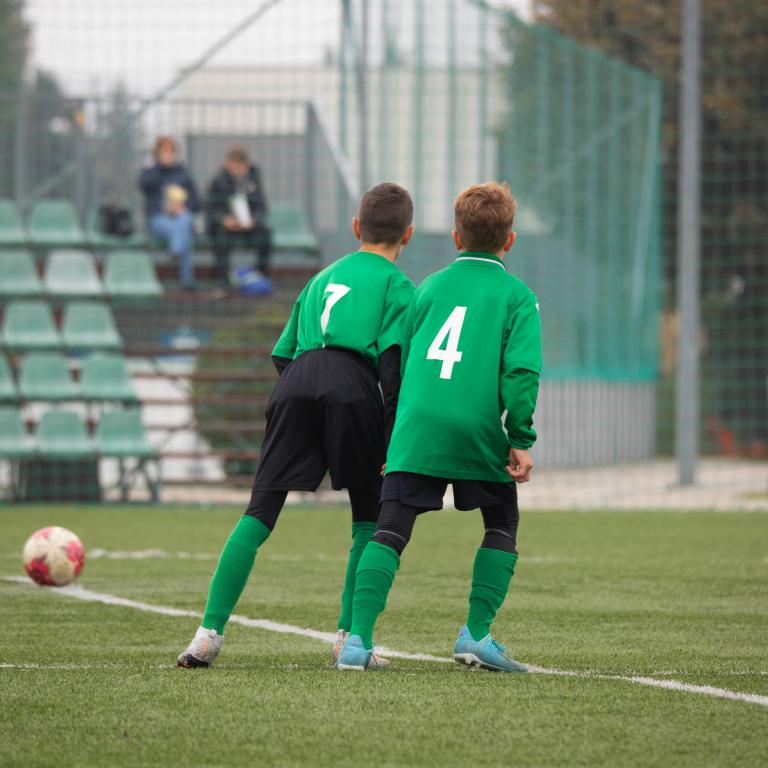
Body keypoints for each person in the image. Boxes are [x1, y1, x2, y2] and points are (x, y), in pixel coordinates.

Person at [176, 182, 416, 669]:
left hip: (297, 378)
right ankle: (349, 643)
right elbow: (392, 369)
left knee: (260, 512)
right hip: (354, 384)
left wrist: (302, 399)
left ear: (356, 227)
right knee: (368, 517)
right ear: (407, 235)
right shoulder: (399, 286)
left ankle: (206, 636)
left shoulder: (321, 277)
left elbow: (283, 354)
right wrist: (391, 437)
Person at [337, 182, 542, 673]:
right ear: (510, 240)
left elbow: (398, 364)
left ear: (455, 236)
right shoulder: (517, 296)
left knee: (389, 529)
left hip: (417, 428)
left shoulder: (425, 288)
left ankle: (356, 642)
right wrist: (520, 439)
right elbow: (520, 374)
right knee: (501, 521)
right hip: (475, 428)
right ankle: (476, 634)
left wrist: (395, 437)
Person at [138, 136, 200, 290]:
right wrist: (161, 168)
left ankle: (176, 249)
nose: (167, 154)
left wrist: (183, 207)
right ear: (157, 153)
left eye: (170, 151)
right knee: (183, 232)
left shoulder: (183, 174)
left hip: (180, 218)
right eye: (163, 151)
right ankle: (188, 282)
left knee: (184, 221)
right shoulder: (150, 172)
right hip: (159, 220)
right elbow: (144, 186)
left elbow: (197, 202)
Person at [206, 146, 273, 285]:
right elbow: (210, 209)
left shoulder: (253, 181)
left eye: (240, 166)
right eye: (234, 166)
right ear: (227, 164)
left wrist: (254, 220)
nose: (237, 170)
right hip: (226, 227)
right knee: (220, 237)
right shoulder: (218, 181)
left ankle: (261, 276)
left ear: (246, 165)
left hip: (248, 227)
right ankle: (222, 279)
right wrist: (224, 220)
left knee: (265, 234)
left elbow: (261, 206)